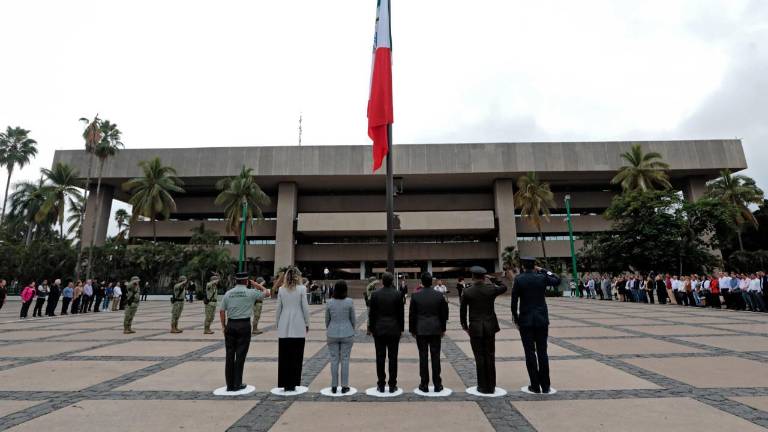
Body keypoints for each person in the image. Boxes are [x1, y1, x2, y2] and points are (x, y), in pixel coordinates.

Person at [511, 258, 561, 394]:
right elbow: (557, 279)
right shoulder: (542, 277)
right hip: (541, 319)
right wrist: (544, 270)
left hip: (526, 320)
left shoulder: (519, 279)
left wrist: (515, 318)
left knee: (529, 353)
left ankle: (535, 385)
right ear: (535, 266)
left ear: (522, 266)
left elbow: (514, 301)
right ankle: (545, 385)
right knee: (542, 352)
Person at [460, 266, 507, 394]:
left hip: (475, 327)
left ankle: (482, 386)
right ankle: (491, 386)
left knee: (479, 357)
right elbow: (504, 287)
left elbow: (463, 312)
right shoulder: (491, 289)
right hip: (490, 326)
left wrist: (465, 326)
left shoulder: (467, 291)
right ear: (484, 277)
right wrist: (494, 279)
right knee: (490, 356)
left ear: (473, 277)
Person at [219, 272, 266, 392]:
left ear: (235, 281)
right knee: (240, 355)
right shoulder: (251, 292)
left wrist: (224, 326)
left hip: (231, 324)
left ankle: (230, 385)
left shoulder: (228, 293)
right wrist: (257, 284)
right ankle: (237, 383)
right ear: (246, 281)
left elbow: (222, 311)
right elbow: (268, 293)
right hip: (244, 325)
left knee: (229, 355)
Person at [409, 272, 449, 393]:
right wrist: (443, 329)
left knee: (423, 356)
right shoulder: (439, 295)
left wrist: (412, 330)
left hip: (421, 329)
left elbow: (412, 315)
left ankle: (424, 384)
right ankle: (437, 384)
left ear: (421, 281)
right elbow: (444, 314)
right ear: (431, 282)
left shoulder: (415, 296)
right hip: (436, 329)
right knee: (435, 357)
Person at [276, 266, 310, 392]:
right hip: (298, 324)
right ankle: (293, 383)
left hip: (284, 325)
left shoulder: (281, 289)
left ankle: (284, 383)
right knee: (297, 356)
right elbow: (305, 308)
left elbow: (278, 308)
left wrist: (277, 323)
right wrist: (307, 323)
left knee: (284, 356)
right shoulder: (302, 289)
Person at [368, 271, 404, 393]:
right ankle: (392, 385)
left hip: (379, 330)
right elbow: (401, 314)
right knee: (393, 358)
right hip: (394, 329)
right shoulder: (398, 294)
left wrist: (371, 328)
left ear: (382, 281)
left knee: (380, 357)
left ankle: (381, 384)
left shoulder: (375, 294)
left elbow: (372, 314)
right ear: (392, 281)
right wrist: (401, 329)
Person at [325, 280, 356, 394]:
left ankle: (334, 385)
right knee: (345, 360)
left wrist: (330, 328)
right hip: (347, 333)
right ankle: (344, 386)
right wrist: (352, 329)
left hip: (332, 333)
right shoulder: (349, 302)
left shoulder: (329, 302)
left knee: (334, 360)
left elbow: (327, 320)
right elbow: (353, 319)